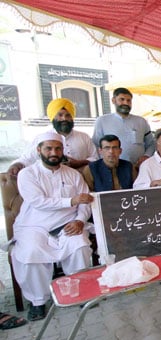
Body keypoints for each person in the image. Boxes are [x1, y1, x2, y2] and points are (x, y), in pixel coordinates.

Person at [11, 131, 93, 321]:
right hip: (34, 227)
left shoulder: (73, 174)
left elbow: (85, 202)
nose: (53, 152)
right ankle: (38, 301)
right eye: (48, 148)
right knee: (31, 252)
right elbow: (38, 201)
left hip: (68, 224)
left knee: (79, 246)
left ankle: (78, 292)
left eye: (57, 148)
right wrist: (71, 201)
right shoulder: (27, 174)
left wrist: (80, 220)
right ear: (39, 150)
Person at [7, 98, 97, 177]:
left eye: (68, 115)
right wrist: (16, 165)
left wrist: (79, 163)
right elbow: (27, 159)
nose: (64, 119)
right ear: (53, 117)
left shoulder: (83, 137)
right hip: (51, 182)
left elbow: (95, 158)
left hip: (80, 178)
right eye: (60, 115)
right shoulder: (42, 138)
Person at [92, 87, 154, 167]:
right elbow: (96, 145)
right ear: (113, 100)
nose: (126, 103)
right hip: (112, 168)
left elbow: (151, 143)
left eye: (129, 100)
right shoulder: (102, 121)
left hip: (139, 167)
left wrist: (146, 156)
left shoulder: (141, 121)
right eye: (122, 99)